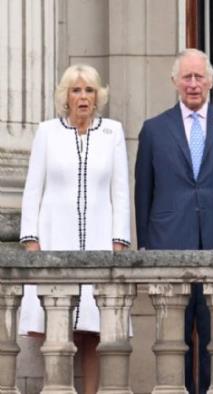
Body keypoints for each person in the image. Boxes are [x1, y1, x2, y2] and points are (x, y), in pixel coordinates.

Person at [134, 48, 213, 394]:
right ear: (174, 81)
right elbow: (144, 191)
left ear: (211, 81)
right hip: (170, 243)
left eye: (199, 76)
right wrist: (144, 246)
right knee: (175, 337)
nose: (193, 83)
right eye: (186, 77)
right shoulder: (154, 130)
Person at [19, 64, 131, 394]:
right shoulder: (47, 132)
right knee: (57, 324)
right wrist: (30, 240)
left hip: (98, 238)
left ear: (98, 96)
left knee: (93, 328)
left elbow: (120, 190)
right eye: (76, 90)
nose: (83, 97)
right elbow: (32, 189)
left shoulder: (112, 132)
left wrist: (119, 242)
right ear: (65, 96)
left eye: (89, 90)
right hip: (55, 237)